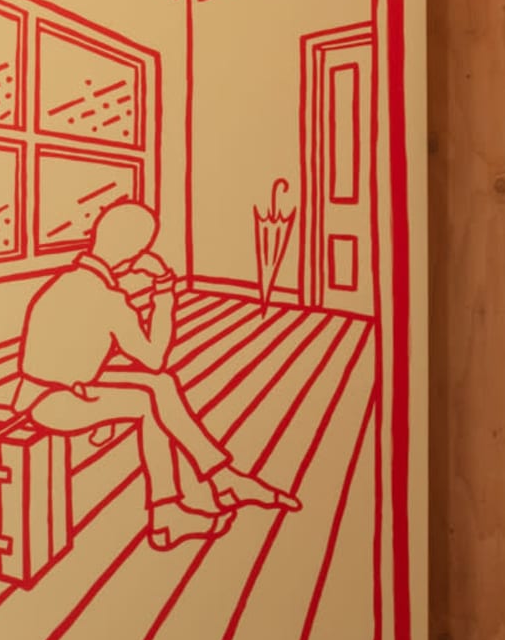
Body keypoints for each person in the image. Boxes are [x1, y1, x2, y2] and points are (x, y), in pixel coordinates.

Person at [17, 202, 296, 546]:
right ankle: (169, 511)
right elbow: (153, 357)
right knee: (150, 399)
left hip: (56, 389)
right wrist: (165, 292)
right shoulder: (106, 298)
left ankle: (217, 479)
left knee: (160, 387)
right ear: (134, 253)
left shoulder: (68, 282)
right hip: (52, 402)